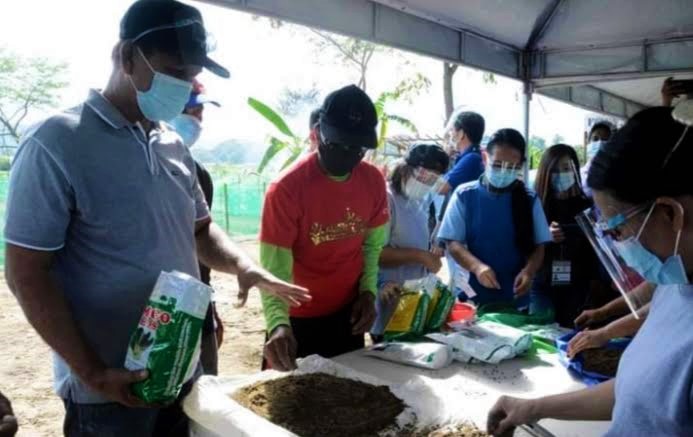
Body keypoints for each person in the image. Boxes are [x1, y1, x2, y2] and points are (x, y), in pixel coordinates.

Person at [3, 2, 310, 436]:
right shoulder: (56, 142)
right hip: (110, 388)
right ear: (127, 56)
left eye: (189, 76)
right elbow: (26, 273)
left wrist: (242, 265)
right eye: (173, 71)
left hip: (178, 369)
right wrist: (91, 372)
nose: (183, 86)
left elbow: (200, 230)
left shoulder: (172, 145)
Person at [487, 107, 693, 437]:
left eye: (617, 230)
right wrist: (535, 408)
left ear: (669, 214)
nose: (620, 247)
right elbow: (634, 393)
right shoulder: (676, 282)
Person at [260, 84, 389, 371]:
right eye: (337, 145)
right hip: (295, 321)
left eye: (357, 149)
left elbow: (371, 246)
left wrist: (367, 292)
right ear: (317, 134)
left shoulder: (373, 181)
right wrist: (278, 325)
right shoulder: (286, 189)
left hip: (348, 316)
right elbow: (274, 270)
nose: (347, 155)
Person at [438, 129, 551, 308]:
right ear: (485, 159)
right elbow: (453, 243)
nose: (504, 171)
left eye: (512, 167)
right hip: (471, 297)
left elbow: (539, 245)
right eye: (497, 164)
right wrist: (477, 267)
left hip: (516, 296)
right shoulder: (464, 194)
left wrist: (529, 272)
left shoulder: (529, 199)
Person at [168, 80, 223, 375]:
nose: (197, 120)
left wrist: (209, 309)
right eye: (190, 110)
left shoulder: (198, 173)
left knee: (204, 397)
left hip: (196, 309)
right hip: (158, 314)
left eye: (200, 112)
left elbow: (202, 249)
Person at [371, 143, 449, 337]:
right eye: (424, 175)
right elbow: (376, 252)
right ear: (406, 167)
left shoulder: (420, 200)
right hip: (389, 295)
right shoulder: (387, 198)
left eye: (433, 179)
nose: (427, 183)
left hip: (413, 301)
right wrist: (420, 256)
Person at [530, 144, 600, 326]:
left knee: (571, 335)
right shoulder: (535, 205)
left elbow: (595, 249)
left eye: (567, 168)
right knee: (541, 334)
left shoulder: (585, 206)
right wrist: (544, 236)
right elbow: (521, 244)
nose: (561, 175)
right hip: (542, 285)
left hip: (577, 288)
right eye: (555, 170)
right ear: (546, 172)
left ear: (576, 170)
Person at [581, 121, 614, 197]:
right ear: (588, 142)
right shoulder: (579, 176)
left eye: (605, 140)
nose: (600, 142)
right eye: (595, 139)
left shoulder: (616, 174)